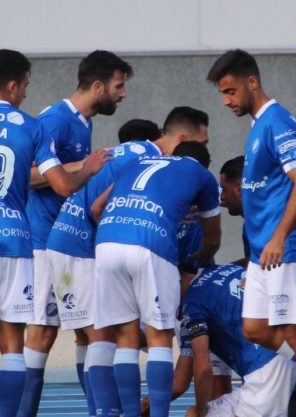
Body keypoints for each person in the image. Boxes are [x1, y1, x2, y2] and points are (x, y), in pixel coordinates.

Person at [0, 49, 108, 417]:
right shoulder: (32, 126)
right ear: (13, 85)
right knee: (12, 342)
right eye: (26, 85)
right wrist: (90, 169)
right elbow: (61, 184)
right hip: (16, 240)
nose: (26, 93)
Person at [207, 49, 296, 417]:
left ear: (252, 83)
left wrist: (278, 237)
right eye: (223, 94)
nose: (226, 101)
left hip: (287, 250)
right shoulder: (258, 126)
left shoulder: (278, 122)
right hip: (263, 256)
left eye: (230, 92)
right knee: (255, 328)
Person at [19, 50, 133, 417]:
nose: (123, 94)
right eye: (118, 86)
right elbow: (26, 175)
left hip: (69, 242)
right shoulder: (55, 120)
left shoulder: (84, 123)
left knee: (87, 329)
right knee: (43, 334)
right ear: (97, 85)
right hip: (41, 241)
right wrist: (82, 166)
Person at [92, 141, 222, 417]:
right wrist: (199, 257)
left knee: (125, 337)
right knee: (159, 335)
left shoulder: (137, 163)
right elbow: (213, 237)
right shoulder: (201, 175)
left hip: (106, 242)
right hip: (151, 243)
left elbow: (96, 208)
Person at [179, 263, 296, 417]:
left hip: (265, 367)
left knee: (196, 415)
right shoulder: (222, 268)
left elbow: (203, 369)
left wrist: (200, 410)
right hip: (294, 345)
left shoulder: (192, 303)